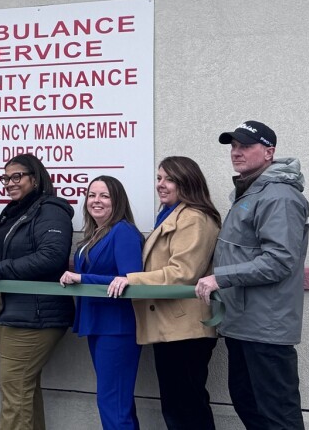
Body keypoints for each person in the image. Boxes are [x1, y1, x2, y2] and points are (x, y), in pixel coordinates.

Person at [195, 121, 309, 430]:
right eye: (233, 146)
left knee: (277, 415)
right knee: (250, 405)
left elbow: (279, 260)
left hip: (266, 328)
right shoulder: (250, 192)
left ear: (269, 152)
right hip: (244, 325)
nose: (236, 152)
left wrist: (221, 278)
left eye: (245, 146)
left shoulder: (279, 197)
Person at [111, 156, 221, 430]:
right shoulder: (172, 215)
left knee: (187, 409)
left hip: (185, 330)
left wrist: (131, 279)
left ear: (187, 181)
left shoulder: (194, 218)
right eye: (159, 178)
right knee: (177, 408)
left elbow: (182, 273)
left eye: (169, 179)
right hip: (172, 327)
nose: (161, 184)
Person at [0, 154, 74, 430]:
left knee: (15, 398)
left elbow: (52, 256)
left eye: (16, 176)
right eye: (5, 178)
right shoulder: (15, 211)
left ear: (35, 177)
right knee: (24, 393)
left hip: (35, 316)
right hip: (9, 313)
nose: (9, 183)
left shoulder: (51, 210)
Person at [59, 176, 144, 430]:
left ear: (117, 201)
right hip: (99, 325)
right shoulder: (95, 234)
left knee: (112, 403)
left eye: (104, 196)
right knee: (116, 402)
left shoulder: (123, 231)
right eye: (92, 195)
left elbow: (130, 277)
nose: (96, 201)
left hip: (117, 328)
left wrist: (82, 277)